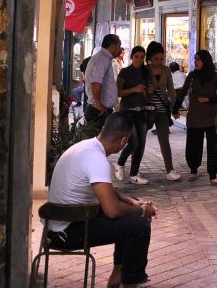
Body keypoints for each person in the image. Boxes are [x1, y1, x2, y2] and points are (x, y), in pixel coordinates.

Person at [46, 112, 156, 288]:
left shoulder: (86, 147)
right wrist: (142, 210)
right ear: (123, 141)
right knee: (139, 226)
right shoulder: (97, 160)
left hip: (58, 225)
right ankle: (131, 282)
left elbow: (106, 190)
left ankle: (118, 276)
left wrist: (132, 201)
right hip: (65, 233)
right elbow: (112, 210)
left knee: (131, 207)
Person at [172, 49, 217, 184]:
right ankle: (193, 170)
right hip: (195, 117)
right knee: (193, 146)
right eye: (195, 59)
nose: (195, 62)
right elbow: (183, 92)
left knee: (212, 147)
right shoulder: (191, 76)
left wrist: (209, 100)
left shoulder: (215, 76)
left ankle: (213, 175)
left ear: (205, 61)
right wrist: (175, 108)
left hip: (211, 117)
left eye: (198, 59)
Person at [114, 46, 154, 185]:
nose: (139, 59)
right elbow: (118, 92)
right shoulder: (125, 72)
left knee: (141, 143)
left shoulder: (145, 72)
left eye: (142, 57)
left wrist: (149, 91)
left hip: (142, 111)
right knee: (134, 142)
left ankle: (134, 174)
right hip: (128, 111)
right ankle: (120, 163)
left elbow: (149, 93)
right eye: (137, 57)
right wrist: (133, 89)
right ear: (132, 57)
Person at [145, 41, 181, 181]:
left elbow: (171, 89)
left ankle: (170, 169)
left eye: (162, 59)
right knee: (139, 141)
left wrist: (174, 107)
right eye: (156, 59)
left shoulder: (166, 70)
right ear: (150, 58)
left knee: (164, 140)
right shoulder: (145, 70)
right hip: (147, 110)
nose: (159, 62)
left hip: (161, 110)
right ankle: (132, 171)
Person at [84, 34, 124, 129]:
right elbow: (96, 83)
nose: (120, 49)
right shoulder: (101, 59)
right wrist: (99, 104)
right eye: (119, 46)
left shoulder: (104, 58)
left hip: (101, 109)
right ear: (112, 46)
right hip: (98, 110)